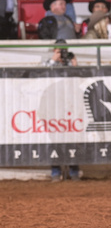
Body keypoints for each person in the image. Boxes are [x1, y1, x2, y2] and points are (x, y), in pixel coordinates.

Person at [44, 39, 80, 181]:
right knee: (54, 139)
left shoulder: (69, 62)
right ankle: (55, 170)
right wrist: (54, 60)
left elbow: (78, 78)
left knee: (73, 137)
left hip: (69, 104)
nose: (62, 53)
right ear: (54, 50)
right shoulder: (47, 62)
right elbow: (41, 74)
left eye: (64, 49)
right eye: (59, 50)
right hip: (53, 104)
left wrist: (74, 64)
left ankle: (74, 169)